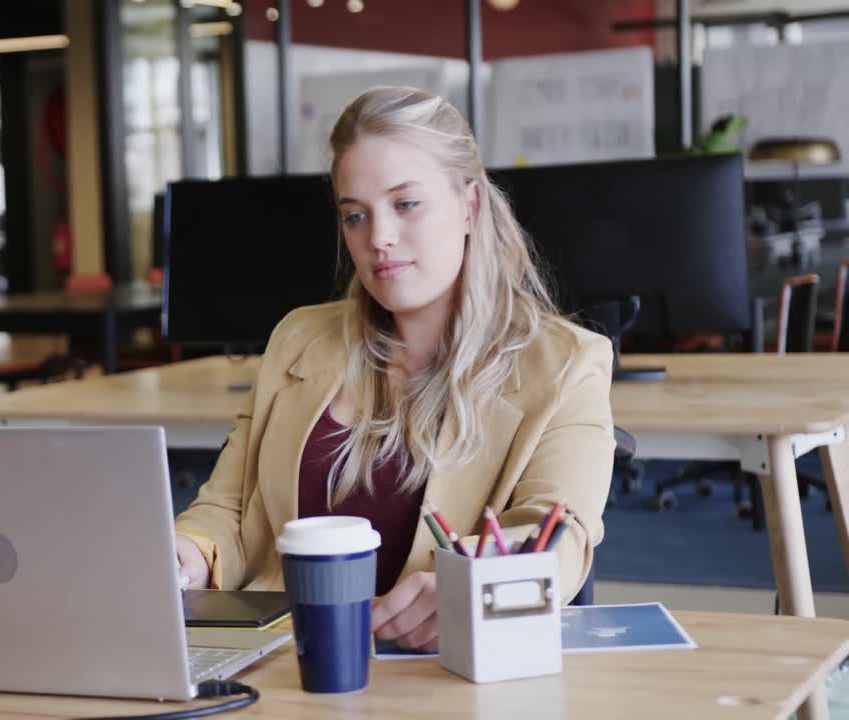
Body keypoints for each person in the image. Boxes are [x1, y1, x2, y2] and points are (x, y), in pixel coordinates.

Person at [174, 87, 615, 651]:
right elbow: (229, 512)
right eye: (355, 215)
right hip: (288, 663)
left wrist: (477, 586)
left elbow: (561, 536)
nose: (377, 238)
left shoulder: (566, 364)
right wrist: (185, 555)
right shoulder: (299, 339)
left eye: (406, 204)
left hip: (442, 672)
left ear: (470, 207)